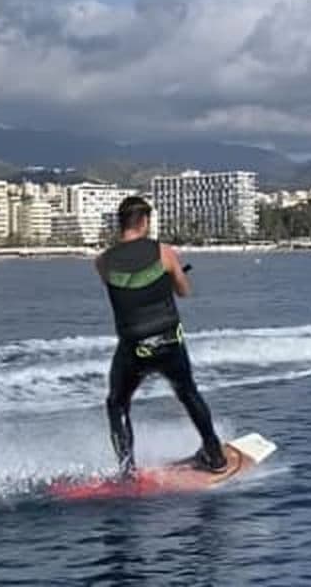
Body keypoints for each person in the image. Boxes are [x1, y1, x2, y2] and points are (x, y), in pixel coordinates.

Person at [94, 196, 227, 478]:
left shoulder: (102, 261)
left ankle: (127, 471)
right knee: (187, 392)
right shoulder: (164, 253)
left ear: (121, 223)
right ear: (145, 221)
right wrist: (168, 278)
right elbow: (184, 291)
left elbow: (126, 291)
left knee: (117, 403)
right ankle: (215, 456)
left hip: (134, 348)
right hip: (169, 342)